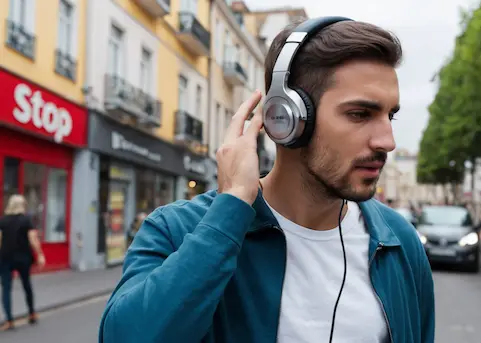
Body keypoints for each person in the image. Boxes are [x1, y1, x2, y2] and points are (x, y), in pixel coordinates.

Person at [99, 17, 435, 343]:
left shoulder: (398, 241)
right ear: (286, 118)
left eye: (389, 115)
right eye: (360, 114)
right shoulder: (177, 230)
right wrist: (229, 211)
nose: (386, 141)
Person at [0, 194, 45, 331]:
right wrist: (40, 254)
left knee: (6, 289)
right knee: (26, 285)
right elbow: (33, 239)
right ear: (22, 206)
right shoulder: (26, 220)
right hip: (23, 258)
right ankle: (31, 313)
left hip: (5, 258)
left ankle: (9, 320)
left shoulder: (3, 221)